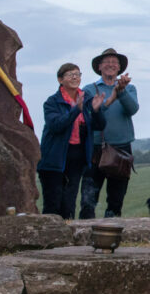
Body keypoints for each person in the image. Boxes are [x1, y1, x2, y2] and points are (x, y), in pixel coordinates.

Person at [37, 63, 105, 219]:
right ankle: (51, 240)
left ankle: (68, 240)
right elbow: (56, 125)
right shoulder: (52, 102)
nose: (75, 77)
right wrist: (76, 110)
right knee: (53, 205)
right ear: (60, 80)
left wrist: (96, 111)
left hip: (77, 159)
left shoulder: (86, 99)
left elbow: (100, 126)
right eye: (70, 74)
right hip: (54, 160)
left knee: (69, 204)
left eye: (77, 74)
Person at [79, 47, 138, 219]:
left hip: (121, 149)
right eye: (107, 62)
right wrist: (109, 99)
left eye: (115, 62)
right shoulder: (90, 89)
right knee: (89, 198)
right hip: (95, 148)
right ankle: (85, 232)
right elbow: (91, 114)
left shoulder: (130, 88)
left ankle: (111, 235)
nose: (111, 65)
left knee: (116, 199)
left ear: (120, 68)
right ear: (99, 67)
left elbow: (133, 109)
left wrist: (121, 91)